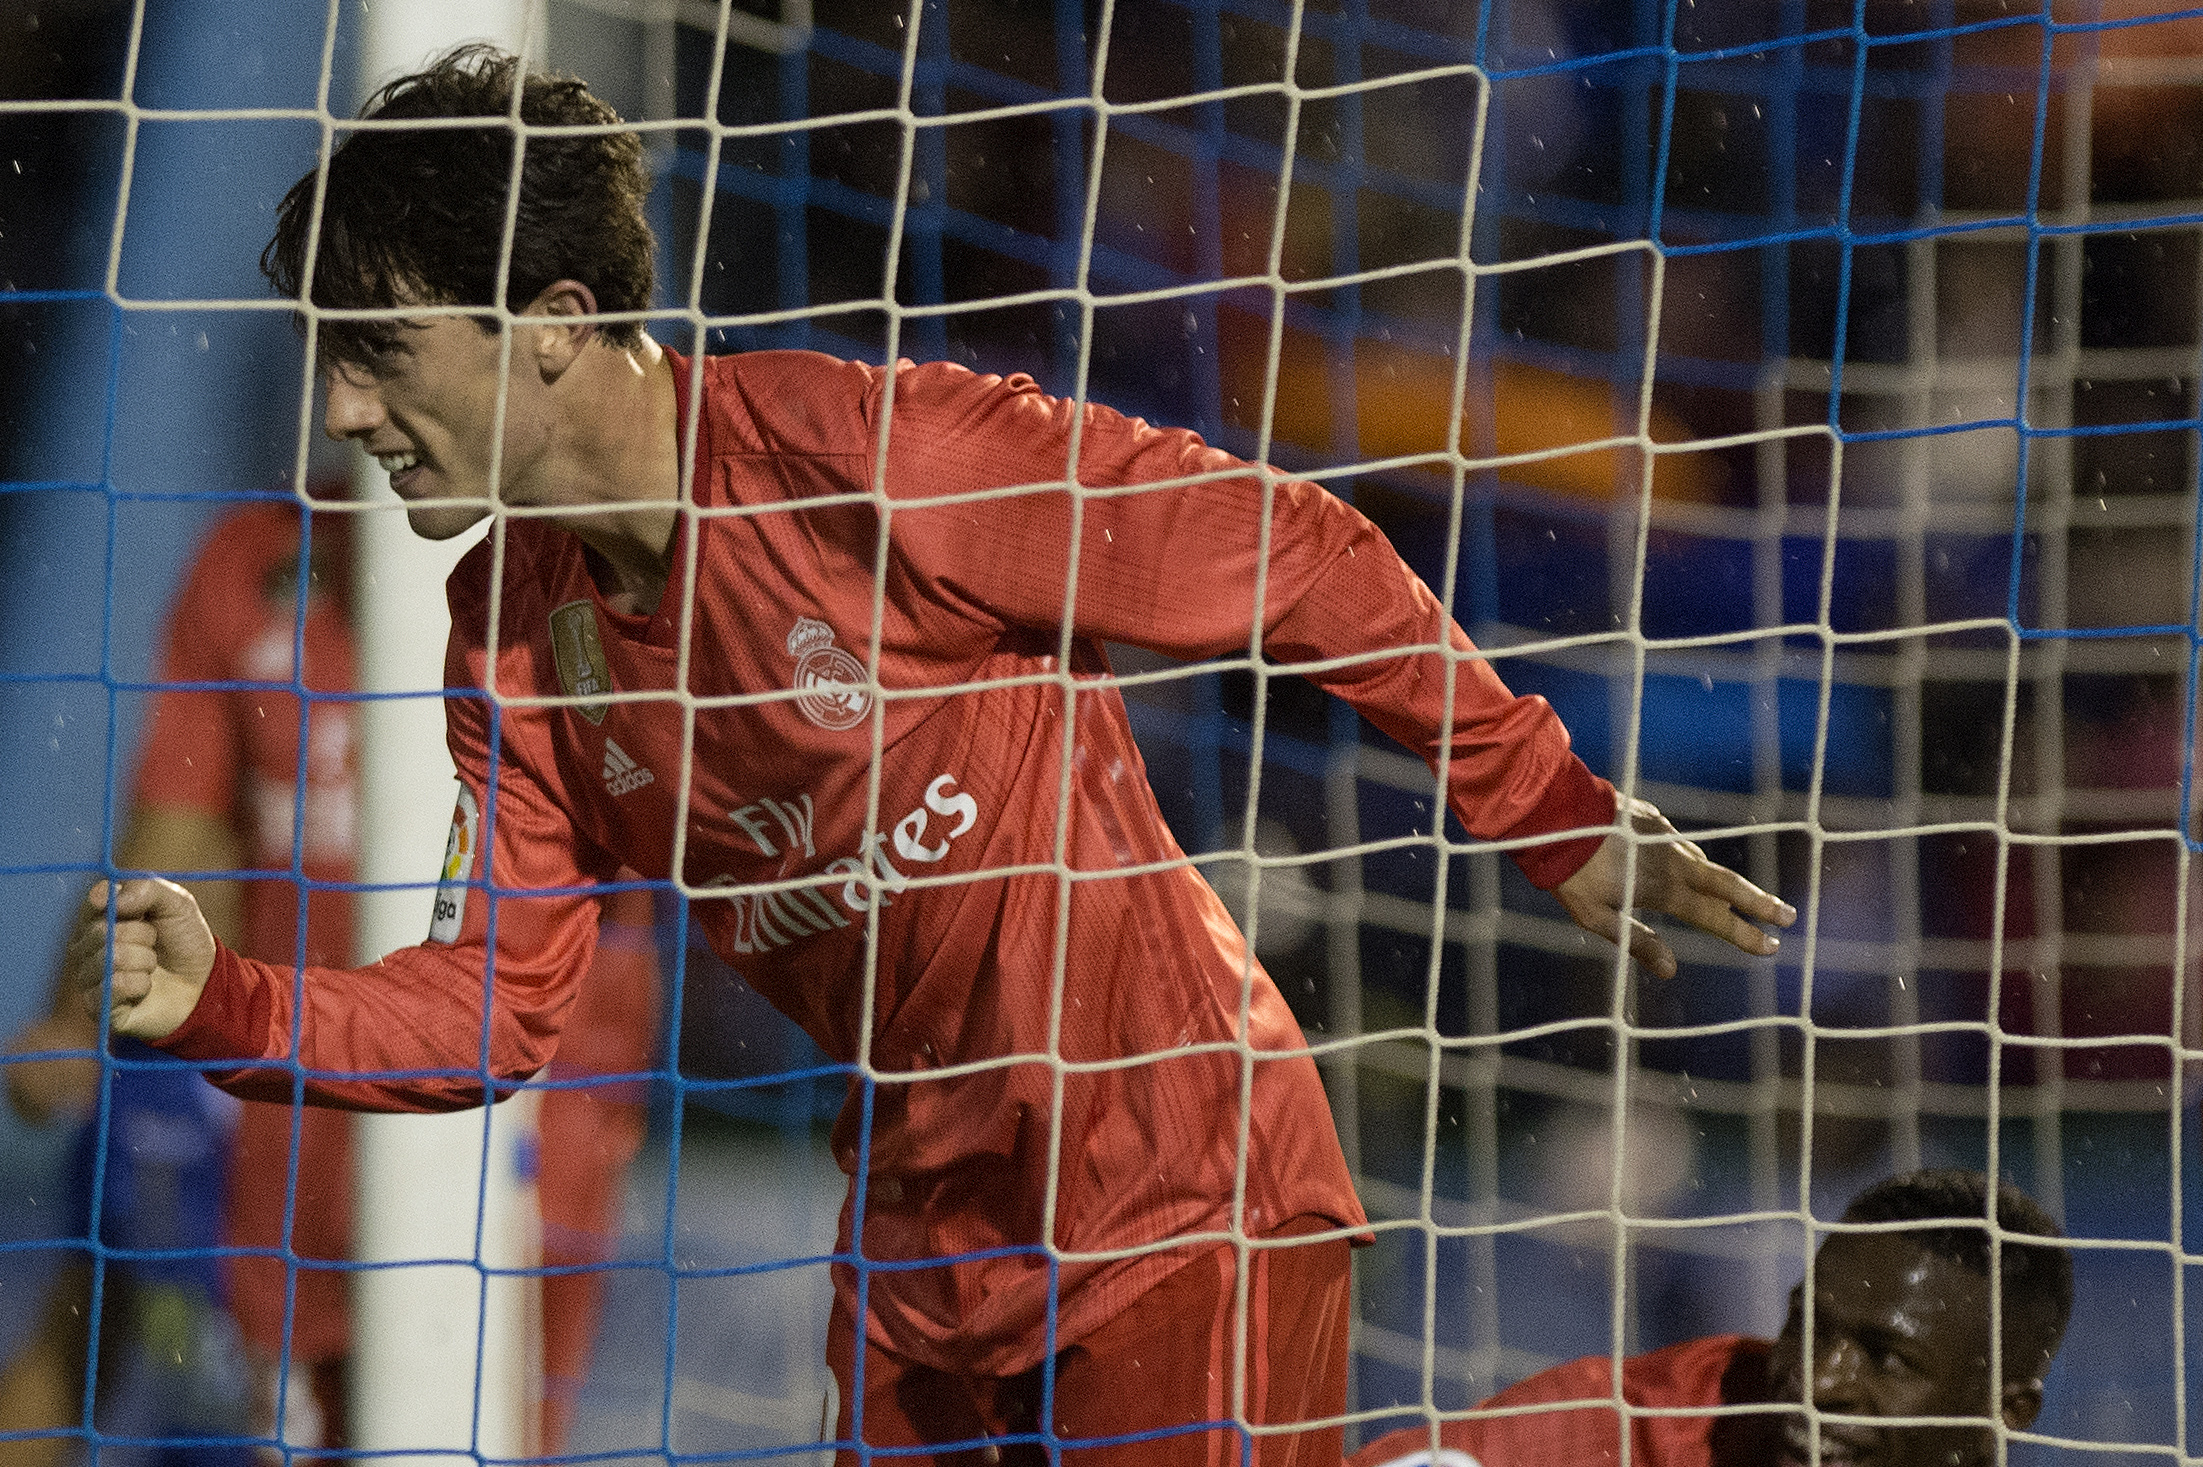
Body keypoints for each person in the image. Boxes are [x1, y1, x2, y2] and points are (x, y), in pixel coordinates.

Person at [66, 46, 1794, 1467]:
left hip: (1173, 1192)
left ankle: (1647, 1426)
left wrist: (1546, 809)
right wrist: (233, 1003)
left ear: (553, 315)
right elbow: (489, 1008)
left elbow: (1289, 551)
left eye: (377, 352)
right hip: (919, 1243)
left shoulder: (878, 463)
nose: (348, 411)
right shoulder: (510, 639)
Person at [4, 499, 657, 1461]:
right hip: (292, 1123)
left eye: (376, 350)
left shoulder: (586, 567)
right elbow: (179, 832)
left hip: (515, 1135)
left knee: (472, 1434)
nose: (348, 399)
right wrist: (76, 1012)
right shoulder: (251, 557)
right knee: (119, 1310)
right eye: (324, 351)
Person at [1350, 1169, 2073, 1467]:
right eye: (1806, 1326)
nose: (1815, 1380)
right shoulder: (1638, 1426)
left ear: (2005, 1411)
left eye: (1887, 1358)